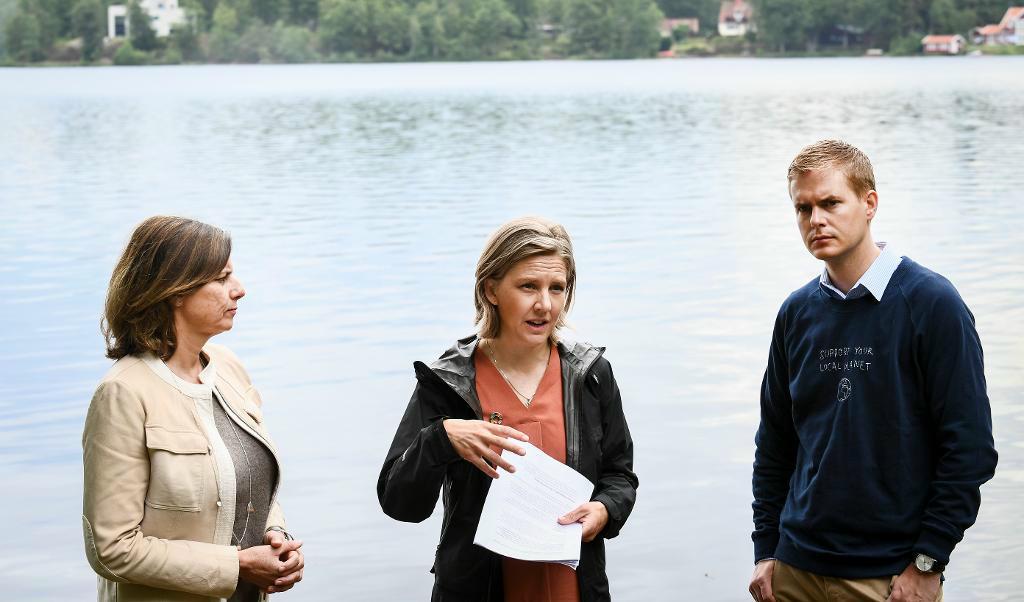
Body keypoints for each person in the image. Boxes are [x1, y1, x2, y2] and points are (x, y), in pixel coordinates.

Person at [748, 140, 998, 602]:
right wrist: (766, 549)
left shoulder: (931, 304)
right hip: (795, 569)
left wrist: (928, 561)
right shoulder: (796, 313)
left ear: (869, 204)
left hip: (887, 578)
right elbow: (775, 442)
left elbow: (970, 450)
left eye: (830, 203)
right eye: (803, 209)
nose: (815, 220)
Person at [378, 216, 638, 602]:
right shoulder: (450, 380)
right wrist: (442, 439)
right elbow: (400, 503)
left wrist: (604, 510)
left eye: (557, 288)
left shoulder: (591, 375)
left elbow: (620, 476)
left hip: (577, 589)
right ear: (492, 289)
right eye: (528, 286)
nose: (544, 305)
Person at [82, 216, 305, 601]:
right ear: (175, 292)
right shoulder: (122, 393)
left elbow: (248, 482)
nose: (239, 290)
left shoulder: (228, 366)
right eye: (221, 278)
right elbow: (112, 549)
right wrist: (237, 565)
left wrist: (277, 537)